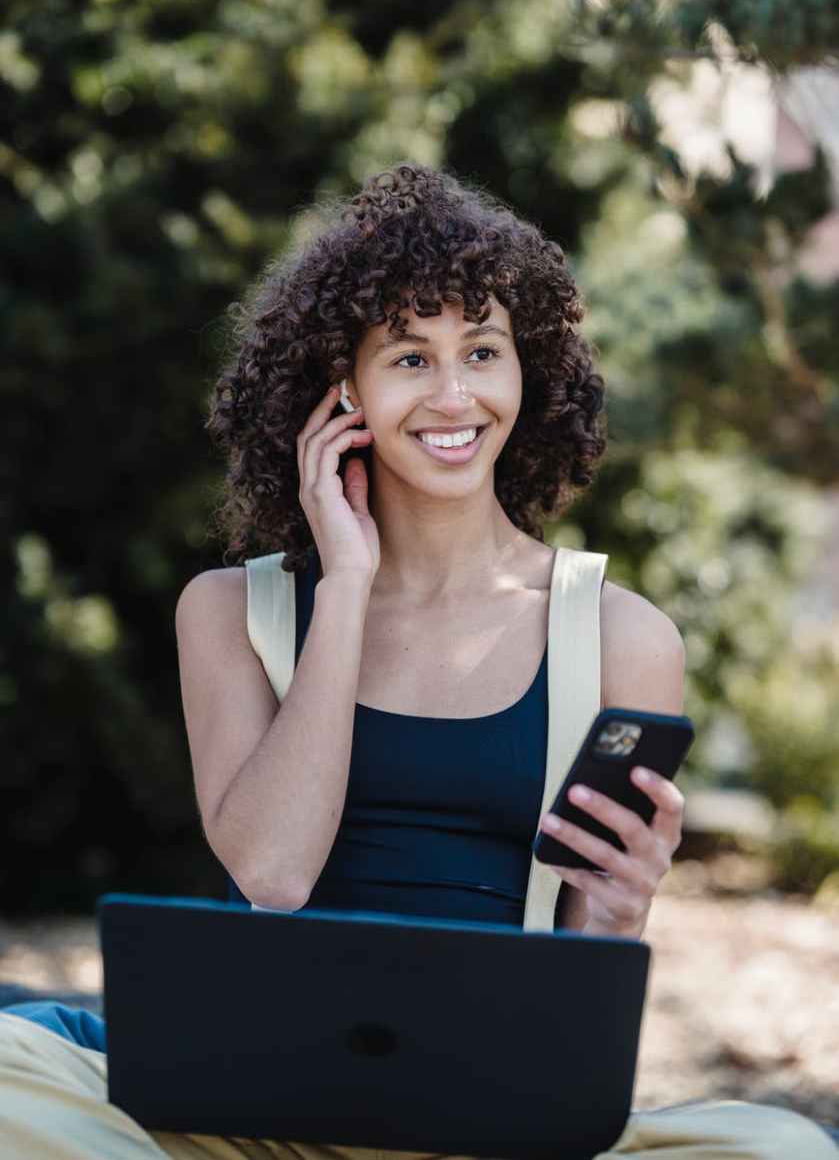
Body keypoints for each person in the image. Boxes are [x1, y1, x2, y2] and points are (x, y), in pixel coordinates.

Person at [1, 163, 835, 1158]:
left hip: (483, 1116)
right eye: (408, 356)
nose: (453, 394)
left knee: (784, 1147)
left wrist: (619, 914)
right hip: (243, 1115)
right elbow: (272, 873)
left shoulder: (621, 636)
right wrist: (345, 586)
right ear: (341, 388)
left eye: (481, 350)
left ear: (525, 371)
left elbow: (576, 998)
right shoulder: (231, 612)